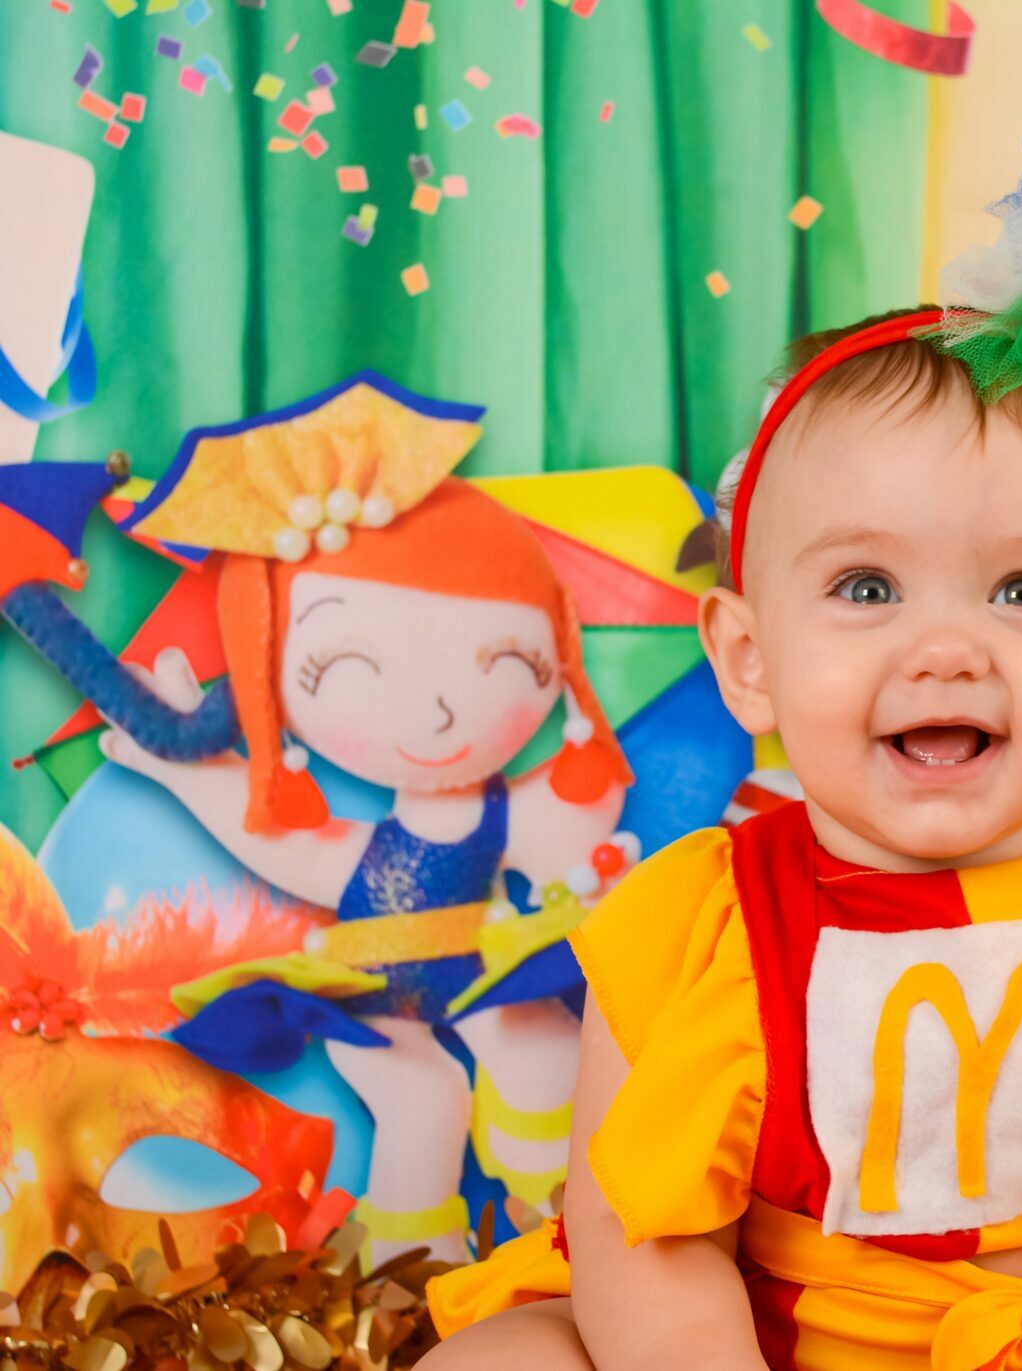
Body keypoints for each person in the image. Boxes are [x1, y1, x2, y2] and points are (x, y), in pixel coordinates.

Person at [423, 137, 1022, 1370]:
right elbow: (644, 1242)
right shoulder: (700, 929)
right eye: (866, 587)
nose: (946, 650)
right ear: (749, 657)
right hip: (737, 1344)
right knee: (504, 1360)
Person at [94, 377, 635, 1262]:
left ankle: (573, 1226)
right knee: (422, 1100)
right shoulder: (367, 848)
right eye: (348, 667)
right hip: (371, 996)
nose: (437, 711)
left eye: (506, 661)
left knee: (542, 1048)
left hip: (483, 976)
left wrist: (603, 871)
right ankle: (413, 1267)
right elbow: (280, 837)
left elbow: (577, 825)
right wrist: (183, 765)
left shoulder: (508, 811)